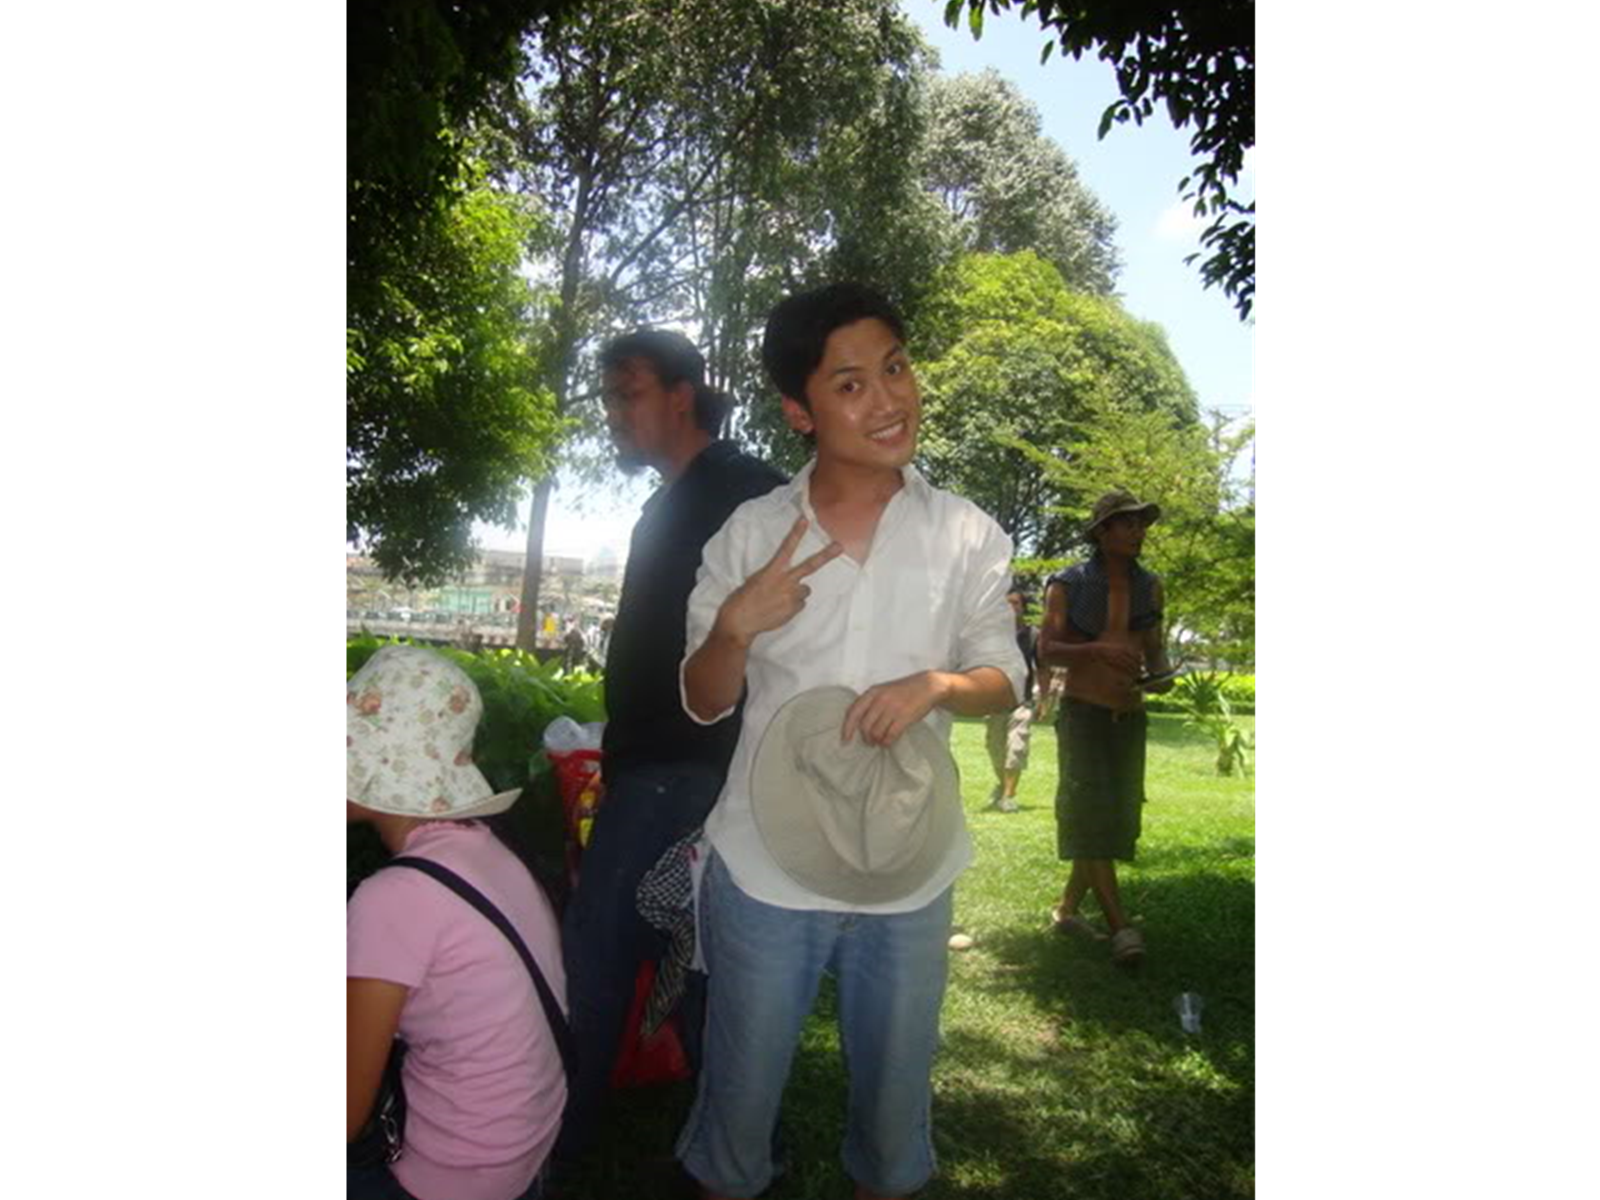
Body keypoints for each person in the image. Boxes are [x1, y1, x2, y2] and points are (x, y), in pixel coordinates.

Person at [676, 282, 1026, 1200]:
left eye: (896, 368)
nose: (888, 399)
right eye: (850, 384)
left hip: (909, 866)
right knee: (737, 1112)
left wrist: (939, 684)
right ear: (800, 410)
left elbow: (1005, 677)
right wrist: (734, 628)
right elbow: (703, 702)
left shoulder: (966, 534)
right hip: (766, 865)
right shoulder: (753, 533)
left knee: (894, 1120)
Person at [552, 329, 785, 1169]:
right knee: (695, 955)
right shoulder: (671, 499)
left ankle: (554, 1140)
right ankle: (740, 1137)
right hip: (659, 763)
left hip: (687, 769)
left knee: (600, 953)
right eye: (610, 397)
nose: (614, 412)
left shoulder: (745, 488)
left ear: (682, 395)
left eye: (629, 392)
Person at [347, 645, 567, 1200]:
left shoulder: (392, 900)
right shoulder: (486, 850)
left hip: (446, 1176)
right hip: (522, 1153)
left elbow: (343, 1114)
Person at [1037, 490, 1175, 966]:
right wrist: (1096, 650)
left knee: (1115, 818)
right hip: (1085, 714)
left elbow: (1154, 648)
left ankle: (1066, 910)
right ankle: (1121, 927)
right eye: (1128, 523)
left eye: (1142, 524)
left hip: (1129, 716)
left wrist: (1162, 676)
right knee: (1089, 815)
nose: (1139, 532)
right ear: (1102, 531)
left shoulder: (1149, 586)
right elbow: (1047, 649)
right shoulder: (1069, 583)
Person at [982, 588, 1038, 813]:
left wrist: (1044, 699)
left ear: (1023, 608)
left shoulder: (1033, 636)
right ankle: (1002, 785)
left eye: (1015, 603)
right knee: (995, 749)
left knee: (1016, 748)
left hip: (1022, 702)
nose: (1010, 608)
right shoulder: (992, 636)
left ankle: (1008, 796)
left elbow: (1043, 667)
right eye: (1006, 604)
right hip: (995, 701)